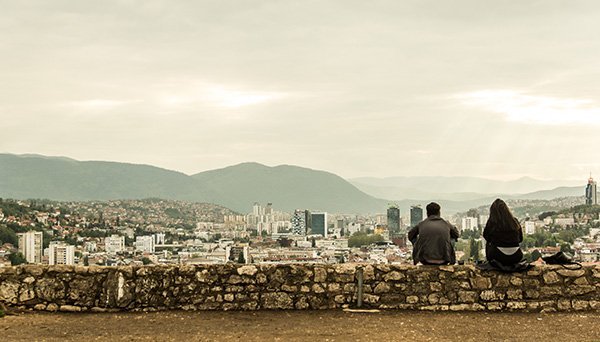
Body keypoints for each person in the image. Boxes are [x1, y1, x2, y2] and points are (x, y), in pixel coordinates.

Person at [482, 198, 524, 266]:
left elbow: (486, 236)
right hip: (516, 256)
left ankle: (489, 262)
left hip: (497, 256)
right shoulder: (514, 221)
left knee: (488, 243)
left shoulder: (492, 223)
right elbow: (520, 239)